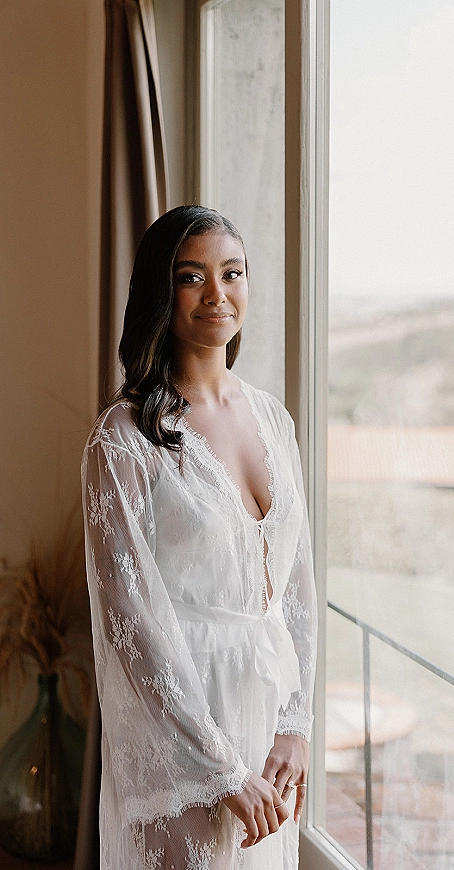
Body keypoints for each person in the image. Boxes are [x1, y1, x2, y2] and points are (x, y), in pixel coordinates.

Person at [81, 205, 317, 870]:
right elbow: (131, 624)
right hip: (175, 727)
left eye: (231, 273)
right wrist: (221, 769)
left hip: (263, 711)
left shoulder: (273, 418)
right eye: (192, 277)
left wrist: (295, 726)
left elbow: (297, 586)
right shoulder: (123, 441)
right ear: (161, 292)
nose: (217, 293)